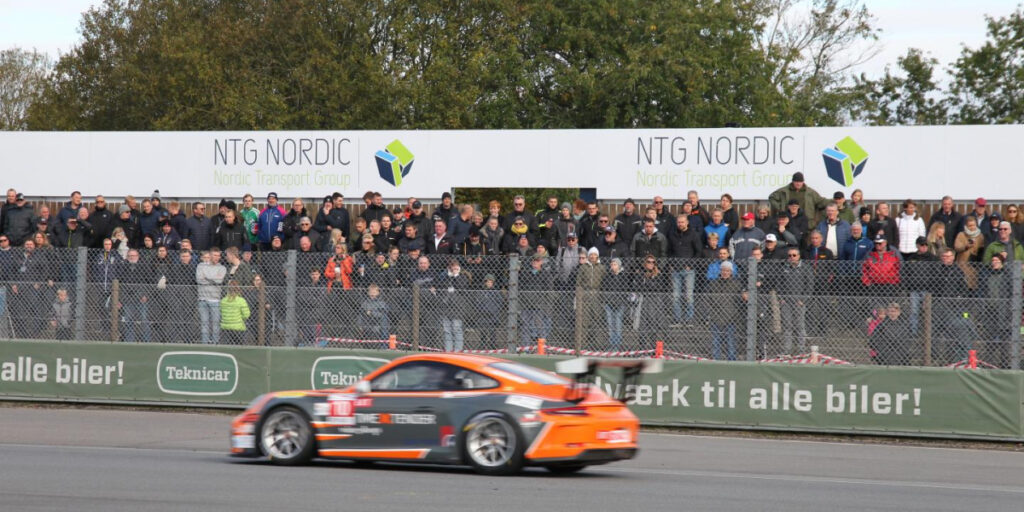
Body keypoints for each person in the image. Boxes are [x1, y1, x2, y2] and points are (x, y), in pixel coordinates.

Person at [777, 247, 812, 354]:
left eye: (794, 255)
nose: (792, 257)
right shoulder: (783, 268)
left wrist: (803, 300)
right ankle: (787, 350)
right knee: (787, 326)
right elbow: (779, 284)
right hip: (786, 302)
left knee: (800, 326)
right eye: (790, 255)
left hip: (799, 302)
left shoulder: (806, 268)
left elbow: (809, 286)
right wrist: (781, 298)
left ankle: (801, 350)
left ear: (799, 256)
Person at [707, 261, 742, 360]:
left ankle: (731, 360)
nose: (725, 273)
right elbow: (708, 299)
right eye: (723, 270)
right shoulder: (713, 284)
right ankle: (716, 360)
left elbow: (739, 301)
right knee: (715, 342)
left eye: (727, 271)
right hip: (716, 317)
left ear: (731, 272)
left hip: (731, 317)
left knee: (731, 342)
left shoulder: (737, 284)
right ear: (720, 271)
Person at [435, 259, 469, 352]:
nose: (453, 269)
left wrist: (456, 276)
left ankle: (458, 350)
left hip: (458, 308)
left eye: (455, 267)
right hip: (446, 307)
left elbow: (462, 288)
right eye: (451, 267)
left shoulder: (462, 277)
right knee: (447, 331)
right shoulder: (445, 277)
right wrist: (449, 276)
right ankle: (448, 350)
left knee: (456, 329)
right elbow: (441, 288)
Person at [119, 249, 153, 343]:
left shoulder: (144, 267)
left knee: (144, 320)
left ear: (138, 256)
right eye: (130, 256)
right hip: (127, 299)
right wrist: (120, 299)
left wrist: (146, 295)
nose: (132, 257)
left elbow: (150, 282)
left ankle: (147, 341)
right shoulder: (123, 267)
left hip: (141, 298)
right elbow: (119, 283)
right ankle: (129, 341)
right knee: (128, 320)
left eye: (133, 255)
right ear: (127, 257)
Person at [576, 248, 605, 348]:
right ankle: (582, 344)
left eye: (594, 254)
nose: (593, 256)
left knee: (597, 319)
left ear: (597, 256)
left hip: (597, 295)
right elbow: (578, 282)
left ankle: (598, 344)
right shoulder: (583, 267)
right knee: (584, 320)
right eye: (591, 254)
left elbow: (605, 282)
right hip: (586, 295)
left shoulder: (602, 268)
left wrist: (601, 295)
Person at [196, 249, 226, 343]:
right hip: (202, 298)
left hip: (215, 299)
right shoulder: (201, 266)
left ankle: (215, 343)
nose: (217, 257)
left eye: (218, 255)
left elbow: (219, 281)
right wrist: (213, 279)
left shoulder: (222, 268)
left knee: (215, 324)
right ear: (210, 256)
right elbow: (199, 280)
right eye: (214, 255)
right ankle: (205, 344)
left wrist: (206, 277)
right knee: (204, 324)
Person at [601, 258, 629, 349]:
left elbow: (626, 290)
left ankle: (617, 344)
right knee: (610, 324)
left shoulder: (624, 276)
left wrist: (620, 300)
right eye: (612, 264)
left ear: (619, 266)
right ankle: (611, 344)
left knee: (618, 324)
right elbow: (604, 288)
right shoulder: (607, 276)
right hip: (609, 303)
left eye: (615, 264)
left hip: (620, 304)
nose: (612, 266)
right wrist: (607, 300)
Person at [953, 215, 985, 291]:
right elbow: (957, 247)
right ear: (966, 226)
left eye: (973, 225)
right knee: (963, 286)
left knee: (973, 286)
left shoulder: (980, 236)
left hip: (974, 266)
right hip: (962, 266)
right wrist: (966, 246)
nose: (972, 227)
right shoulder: (961, 235)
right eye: (970, 225)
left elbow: (982, 249)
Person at [219, 281, 251, 345]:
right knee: (240, 345)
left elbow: (221, 313)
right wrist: (240, 318)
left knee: (227, 346)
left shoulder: (223, 301)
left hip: (225, 327)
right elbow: (246, 315)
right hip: (238, 327)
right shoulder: (241, 300)